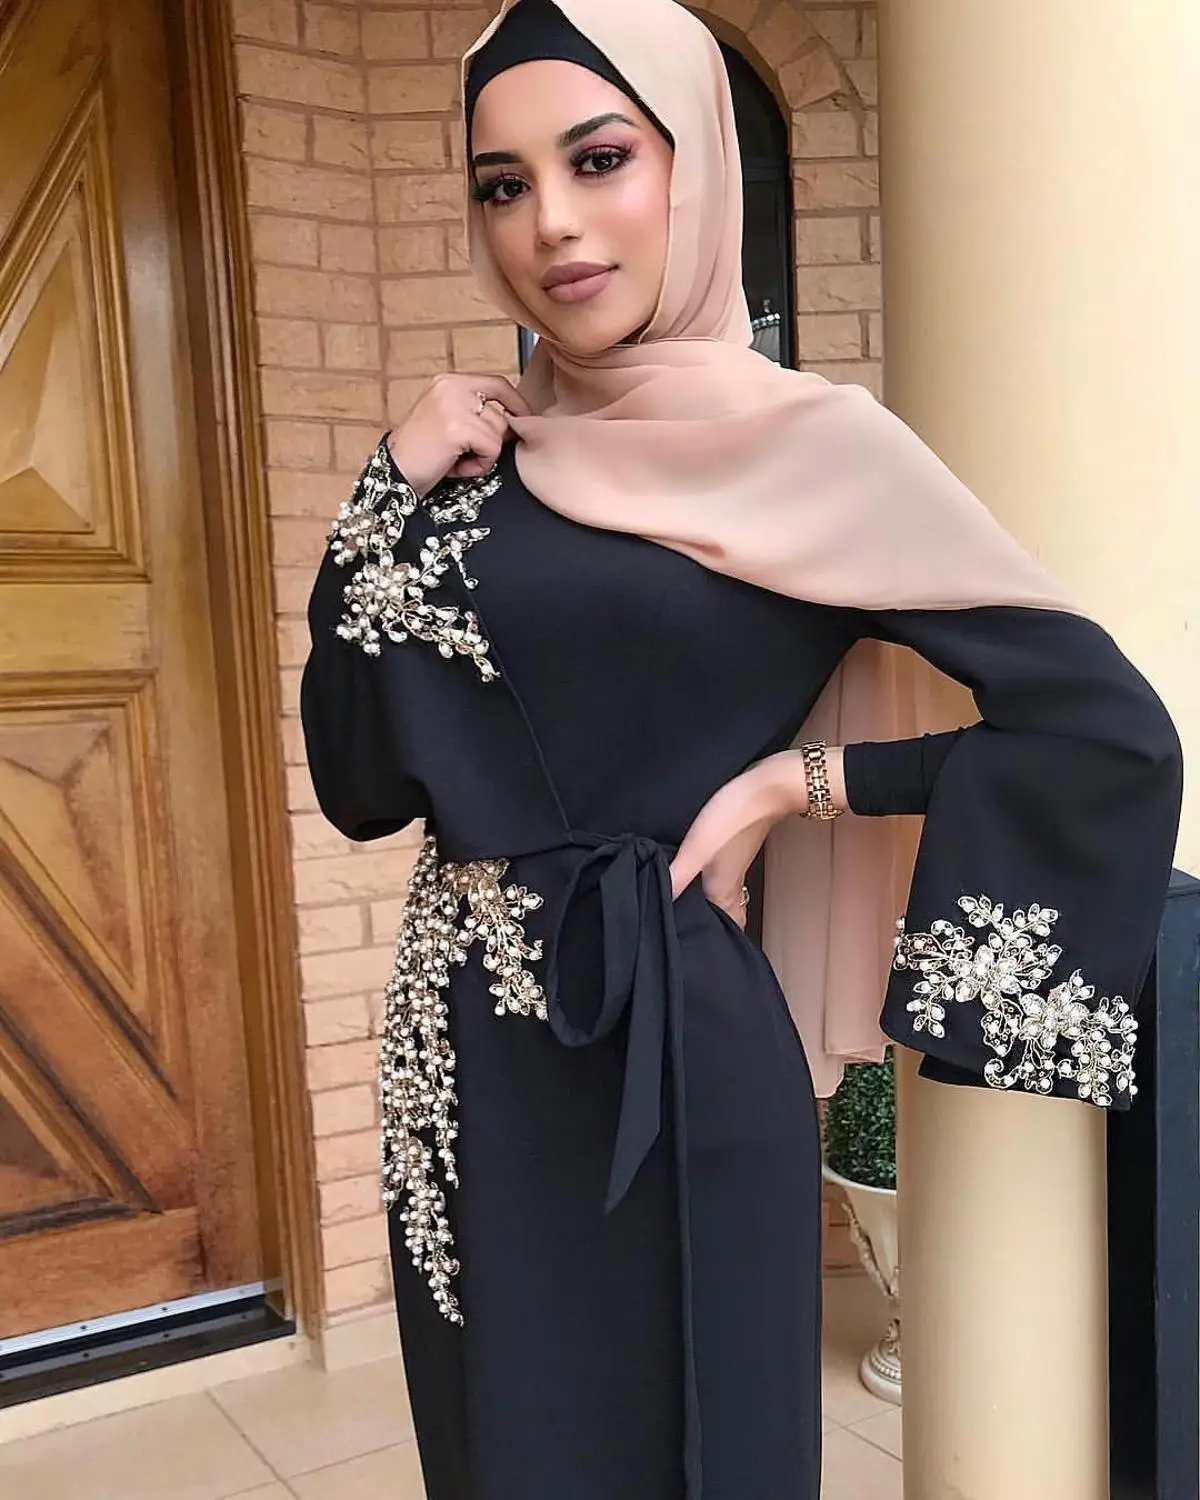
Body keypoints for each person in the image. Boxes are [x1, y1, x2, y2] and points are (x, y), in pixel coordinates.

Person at [300, 1, 1183, 1495]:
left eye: (598, 160)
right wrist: (382, 489)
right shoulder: (474, 466)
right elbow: (359, 784)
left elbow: (1102, 730)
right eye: (504, 184)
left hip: (678, 1034)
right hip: (465, 1060)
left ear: (693, 168)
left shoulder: (817, 450)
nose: (551, 222)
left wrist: (802, 782)